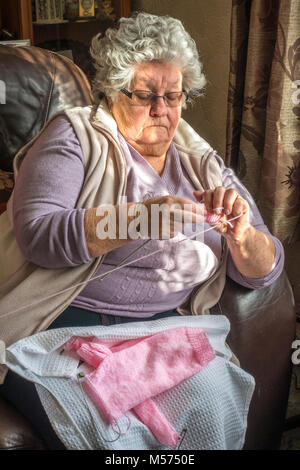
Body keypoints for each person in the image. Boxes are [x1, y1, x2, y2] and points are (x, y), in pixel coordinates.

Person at [0, 12, 284, 449]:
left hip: (165, 338)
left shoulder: (200, 162)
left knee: (211, 415)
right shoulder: (74, 137)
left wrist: (243, 235)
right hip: (65, 330)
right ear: (114, 91)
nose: (162, 110)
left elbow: (263, 270)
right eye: (145, 95)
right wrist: (139, 218)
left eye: (174, 96)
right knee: (115, 440)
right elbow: (38, 234)